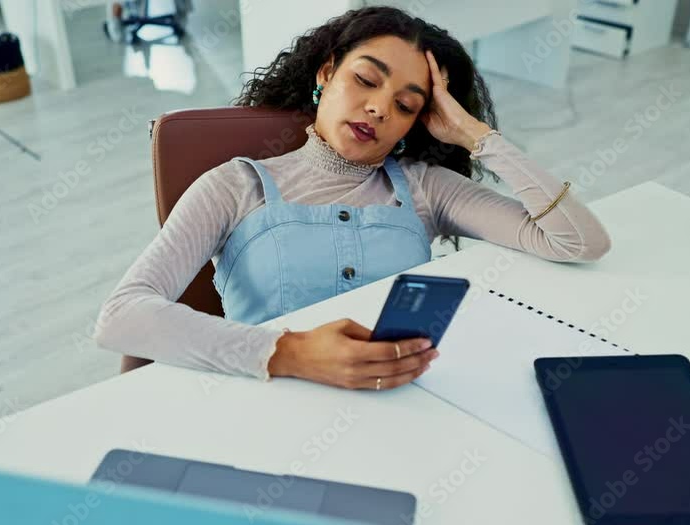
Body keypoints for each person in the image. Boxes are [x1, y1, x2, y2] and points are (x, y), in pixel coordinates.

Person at [93, 7, 611, 391]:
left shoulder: (426, 187)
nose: (378, 108)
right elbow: (123, 315)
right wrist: (289, 353)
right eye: (365, 80)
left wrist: (474, 134)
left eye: (407, 105)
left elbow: (577, 242)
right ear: (326, 73)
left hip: (402, 407)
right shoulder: (236, 185)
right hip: (266, 406)